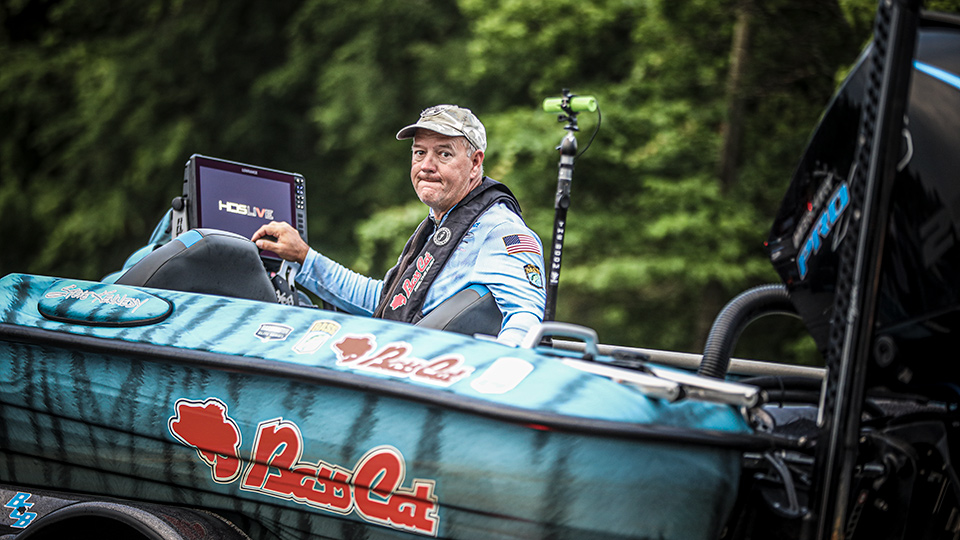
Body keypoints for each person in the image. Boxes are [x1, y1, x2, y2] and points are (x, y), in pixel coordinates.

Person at [252, 105, 546, 345]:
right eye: (419, 153)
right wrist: (305, 257)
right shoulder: (439, 227)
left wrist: (491, 381)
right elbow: (388, 301)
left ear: (475, 163)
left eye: (443, 154)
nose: (426, 165)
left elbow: (524, 319)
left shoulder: (500, 230)